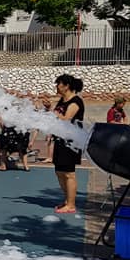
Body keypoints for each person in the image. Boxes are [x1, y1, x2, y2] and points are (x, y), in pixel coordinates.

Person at [51, 74, 85, 214]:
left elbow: (66, 118)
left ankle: (71, 205)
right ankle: (67, 199)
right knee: (59, 171)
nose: (57, 87)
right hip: (60, 140)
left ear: (66, 86)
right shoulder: (62, 100)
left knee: (69, 173)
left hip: (71, 142)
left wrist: (52, 114)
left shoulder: (75, 102)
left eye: (58, 84)